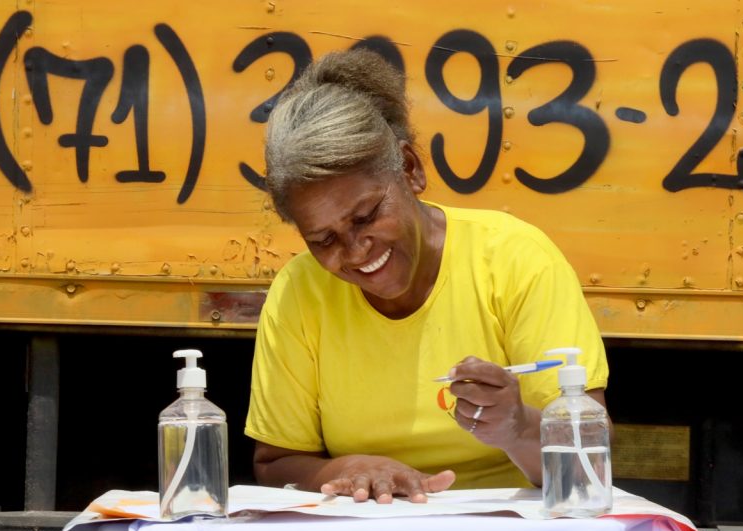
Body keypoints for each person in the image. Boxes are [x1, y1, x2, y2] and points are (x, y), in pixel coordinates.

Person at [245, 49, 609, 503]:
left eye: (366, 216)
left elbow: (588, 462)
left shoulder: (515, 258)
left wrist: (515, 427)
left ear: (411, 170)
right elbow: (275, 464)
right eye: (323, 240)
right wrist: (353, 469)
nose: (356, 252)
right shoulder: (300, 292)